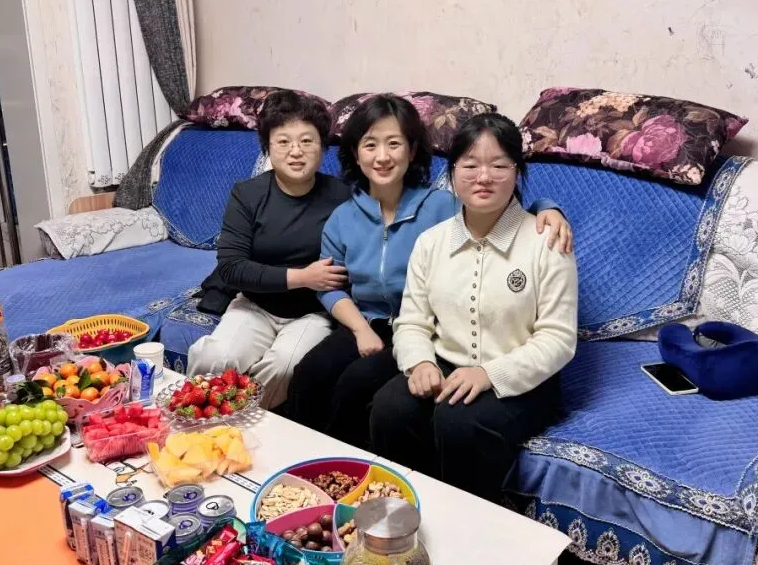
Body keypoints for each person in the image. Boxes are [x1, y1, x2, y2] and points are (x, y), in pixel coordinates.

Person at [284, 95, 572, 448]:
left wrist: (549, 208)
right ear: (355, 153)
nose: (382, 156)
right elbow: (331, 285)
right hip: (371, 322)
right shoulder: (345, 215)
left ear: (412, 150)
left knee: (358, 385)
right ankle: (306, 458)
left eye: (394, 144)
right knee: (310, 374)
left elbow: (498, 208)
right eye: (370, 145)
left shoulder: (442, 205)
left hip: (421, 332)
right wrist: (363, 331)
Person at [369, 112, 578, 504]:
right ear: (452, 173)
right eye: (470, 165)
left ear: (517, 171)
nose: (484, 177)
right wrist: (420, 363)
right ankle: (403, 515)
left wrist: (488, 374)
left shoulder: (548, 242)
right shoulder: (431, 242)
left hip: (522, 381)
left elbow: (558, 339)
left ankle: (470, 525)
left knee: (459, 421)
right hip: (446, 366)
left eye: (499, 165)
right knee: (389, 409)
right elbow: (411, 320)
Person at [185, 91, 349, 410]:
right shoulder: (248, 194)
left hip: (313, 312)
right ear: (268, 147)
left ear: (322, 147)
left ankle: (240, 424)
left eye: (307, 141)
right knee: (214, 358)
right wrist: (302, 277)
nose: (296, 151)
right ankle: (202, 422)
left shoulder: (342, 197)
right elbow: (231, 267)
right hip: (255, 305)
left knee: (286, 365)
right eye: (283, 142)